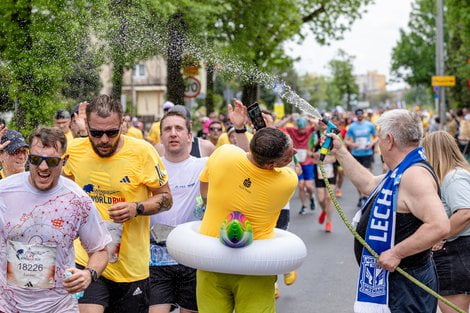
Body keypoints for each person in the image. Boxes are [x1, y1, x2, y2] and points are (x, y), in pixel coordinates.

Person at [329, 109, 449, 313]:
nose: (377, 144)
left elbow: (439, 225)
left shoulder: (414, 175)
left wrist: (396, 252)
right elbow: (368, 184)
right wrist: (340, 151)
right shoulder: (401, 170)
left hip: (406, 285)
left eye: (379, 137)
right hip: (396, 282)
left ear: (389, 140)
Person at [63, 94, 173, 313]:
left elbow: (167, 199)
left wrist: (137, 208)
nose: (104, 139)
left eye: (112, 132)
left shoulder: (143, 152)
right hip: (87, 259)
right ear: (87, 125)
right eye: (96, 133)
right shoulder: (74, 151)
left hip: (131, 266)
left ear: (122, 123)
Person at [0, 127, 111, 313]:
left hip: (58, 307)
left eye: (51, 161)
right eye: (36, 160)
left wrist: (88, 274)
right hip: (8, 306)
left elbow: (100, 250)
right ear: (29, 157)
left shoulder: (77, 199)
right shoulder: (4, 191)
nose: (43, 167)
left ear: (64, 160)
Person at [196, 118, 298, 313]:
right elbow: (288, 169)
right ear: (271, 165)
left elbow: (204, 190)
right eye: (288, 155)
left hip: (212, 261)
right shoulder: (286, 182)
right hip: (255, 268)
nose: (293, 154)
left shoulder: (223, 154)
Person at [149, 110, 207, 313]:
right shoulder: (149, 168)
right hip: (157, 259)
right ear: (161, 137)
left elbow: (245, 163)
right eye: (168, 129)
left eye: (179, 128)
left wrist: (241, 128)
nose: (173, 133)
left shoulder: (204, 166)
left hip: (191, 258)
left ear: (190, 136)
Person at [421, 131, 470, 313]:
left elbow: (465, 212)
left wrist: (440, 235)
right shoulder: (455, 174)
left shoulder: (453, 177)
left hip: (456, 252)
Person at [277, 114, 316, 214]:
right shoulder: (293, 130)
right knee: (301, 185)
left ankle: (311, 197)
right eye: (300, 128)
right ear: (297, 126)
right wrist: (289, 118)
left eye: (303, 128)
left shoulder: (309, 130)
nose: (302, 131)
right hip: (297, 162)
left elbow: (319, 126)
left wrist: (309, 119)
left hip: (308, 162)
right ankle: (304, 206)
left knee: (309, 186)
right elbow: (278, 126)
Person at [345, 108, 378, 207]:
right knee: (358, 177)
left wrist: (372, 143)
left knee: (367, 174)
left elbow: (377, 136)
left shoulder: (369, 125)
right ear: (356, 116)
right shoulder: (352, 127)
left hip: (367, 153)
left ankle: (368, 195)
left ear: (363, 115)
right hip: (356, 153)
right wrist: (352, 144)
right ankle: (361, 197)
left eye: (361, 115)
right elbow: (346, 140)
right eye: (358, 115)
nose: (359, 117)